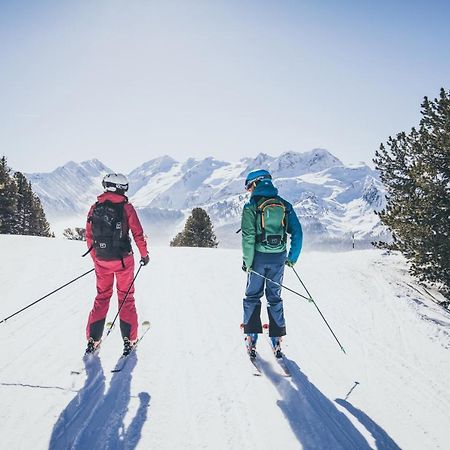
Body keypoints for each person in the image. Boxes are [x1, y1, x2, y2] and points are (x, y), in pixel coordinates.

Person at [84, 173, 149, 356]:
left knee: (102, 297)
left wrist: (97, 259)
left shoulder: (94, 207)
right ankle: (129, 339)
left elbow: (89, 237)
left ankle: (93, 339)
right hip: (123, 262)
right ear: (121, 188)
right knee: (126, 298)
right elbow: (138, 233)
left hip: (102, 261)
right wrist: (144, 255)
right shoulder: (127, 208)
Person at [241, 169, 302, 358]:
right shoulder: (284, 205)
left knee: (252, 296)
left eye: (249, 187)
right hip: (278, 259)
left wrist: (248, 263)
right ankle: (276, 341)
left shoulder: (251, 206)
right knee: (274, 297)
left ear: (255, 184)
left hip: (258, 259)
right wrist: (291, 258)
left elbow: (248, 237)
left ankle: (251, 338)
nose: (249, 191)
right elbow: (297, 232)